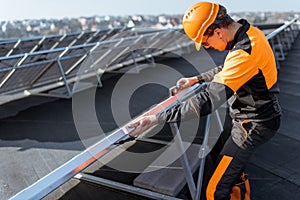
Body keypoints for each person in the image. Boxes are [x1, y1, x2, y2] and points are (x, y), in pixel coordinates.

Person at [129, 2, 281, 200]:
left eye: (206, 43)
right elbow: (227, 69)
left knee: (214, 190)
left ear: (218, 32)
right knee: (233, 174)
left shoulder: (244, 54)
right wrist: (196, 79)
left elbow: (207, 100)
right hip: (257, 117)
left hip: (253, 125)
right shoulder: (250, 33)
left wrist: (155, 119)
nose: (208, 47)